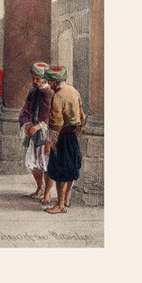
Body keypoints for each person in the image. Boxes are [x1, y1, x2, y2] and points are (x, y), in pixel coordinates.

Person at [43, 65, 86, 213]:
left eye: (50, 82)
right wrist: (76, 131)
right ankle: (66, 199)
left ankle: (59, 205)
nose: (49, 85)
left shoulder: (58, 96)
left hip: (61, 137)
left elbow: (56, 124)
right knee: (70, 169)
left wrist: (50, 143)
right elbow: (82, 116)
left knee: (60, 171)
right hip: (72, 136)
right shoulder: (74, 91)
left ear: (55, 82)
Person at [18, 62, 54, 201]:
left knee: (46, 164)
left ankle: (47, 193)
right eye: (33, 78)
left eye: (37, 79)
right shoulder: (33, 92)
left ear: (45, 79)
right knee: (34, 164)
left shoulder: (51, 92)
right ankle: (40, 188)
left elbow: (53, 115)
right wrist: (26, 124)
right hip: (33, 134)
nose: (34, 81)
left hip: (47, 134)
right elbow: (25, 110)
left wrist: (38, 126)